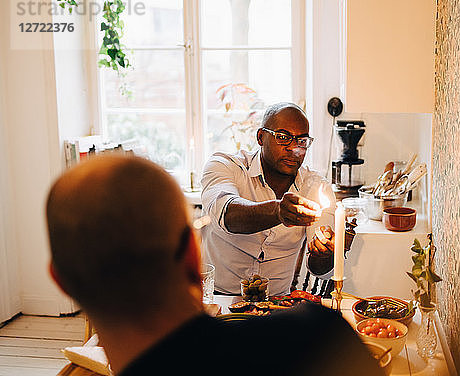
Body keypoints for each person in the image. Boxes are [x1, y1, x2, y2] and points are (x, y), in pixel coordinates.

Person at [45, 155, 384, 376]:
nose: (293, 148)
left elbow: (319, 261)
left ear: (60, 281)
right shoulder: (318, 337)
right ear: (195, 253)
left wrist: (327, 250)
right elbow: (227, 209)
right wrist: (278, 211)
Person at [201, 102, 339, 296]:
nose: (294, 149)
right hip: (219, 299)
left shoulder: (316, 186)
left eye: (302, 141)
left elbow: (320, 270)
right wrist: (278, 212)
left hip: (277, 306)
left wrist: (324, 253)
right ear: (260, 137)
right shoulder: (225, 166)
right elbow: (227, 214)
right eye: (283, 138)